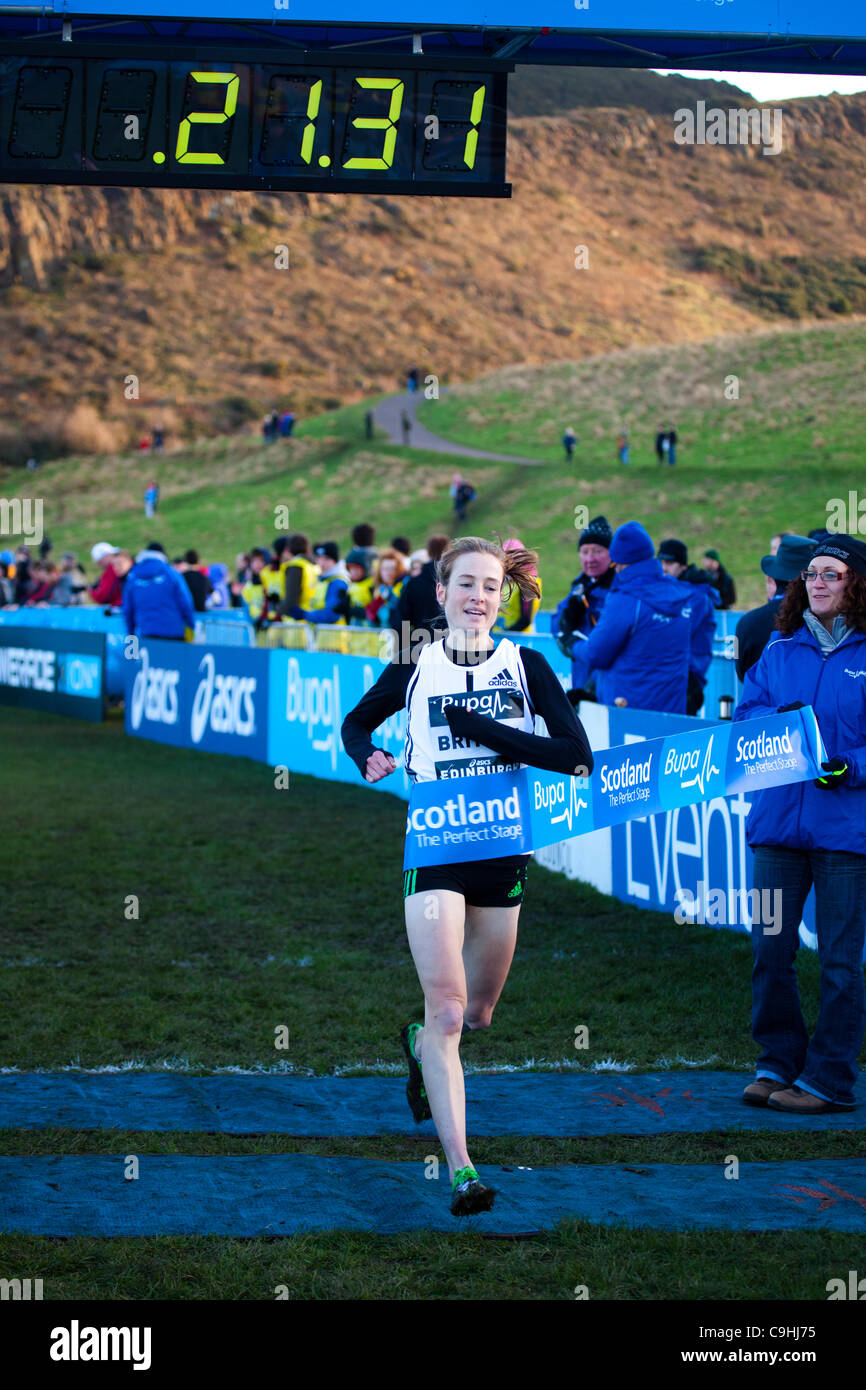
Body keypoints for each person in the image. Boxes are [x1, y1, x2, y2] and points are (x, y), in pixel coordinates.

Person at [340, 536, 594, 1215]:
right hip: (435, 850)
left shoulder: (526, 665)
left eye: (490, 587)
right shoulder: (415, 664)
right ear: (442, 593)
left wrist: (487, 730)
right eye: (466, 585)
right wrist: (366, 753)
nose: (478, 597)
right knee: (449, 1009)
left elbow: (576, 756)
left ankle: (420, 1044)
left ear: (502, 597)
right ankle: (462, 1172)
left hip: (502, 855)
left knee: (478, 1016)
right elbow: (357, 721)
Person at [734, 532, 866, 1114]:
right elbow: (746, 716)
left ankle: (831, 1078)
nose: (816, 581)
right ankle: (778, 1061)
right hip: (777, 832)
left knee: (839, 962)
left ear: (856, 585)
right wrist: (775, 725)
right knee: (770, 950)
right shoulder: (779, 649)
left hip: (845, 836)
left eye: (831, 573)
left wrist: (850, 766)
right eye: (811, 573)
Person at [570, 522, 694, 714]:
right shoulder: (679, 593)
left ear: (619, 562)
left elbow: (596, 654)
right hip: (672, 710)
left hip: (627, 711)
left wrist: (572, 643)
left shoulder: (626, 599)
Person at [735, 535, 817, 683]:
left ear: (772, 578)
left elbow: (741, 673)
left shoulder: (747, 623)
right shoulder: (821, 621)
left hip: (759, 702)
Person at [552, 516, 615, 697]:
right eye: (585, 551)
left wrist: (590, 689)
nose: (590, 558)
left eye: (597, 551)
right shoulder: (579, 587)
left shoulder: (619, 589)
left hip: (607, 688)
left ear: (611, 553)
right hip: (581, 680)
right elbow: (556, 625)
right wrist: (568, 619)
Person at [657, 538, 719, 715]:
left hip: (687, 679)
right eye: (660, 562)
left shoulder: (697, 596)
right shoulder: (669, 591)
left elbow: (676, 635)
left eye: (669, 562)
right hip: (670, 678)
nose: (663, 567)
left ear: (683, 566)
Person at [122, 541, 196, 640]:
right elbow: (185, 601)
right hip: (173, 633)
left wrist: (131, 633)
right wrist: (191, 625)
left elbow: (127, 608)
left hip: (145, 632)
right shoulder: (171, 573)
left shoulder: (133, 576)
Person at [394, 534, 450, 644]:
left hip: (421, 644)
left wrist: (406, 648)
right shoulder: (455, 583)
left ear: (428, 552)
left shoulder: (413, 583)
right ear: (448, 550)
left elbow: (401, 620)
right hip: (450, 645)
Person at [286, 542, 349, 625]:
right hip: (322, 634)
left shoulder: (337, 582)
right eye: (319, 558)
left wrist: (305, 615)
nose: (321, 563)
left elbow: (332, 614)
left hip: (334, 635)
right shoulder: (323, 580)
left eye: (326, 559)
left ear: (335, 561)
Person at [495, 538, 542, 632]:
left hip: (518, 639)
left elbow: (525, 620)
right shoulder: (508, 580)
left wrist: (506, 633)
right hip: (500, 637)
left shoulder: (527, 584)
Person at [366, 547, 408, 628]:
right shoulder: (377, 589)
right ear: (380, 571)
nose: (389, 573)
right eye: (385, 569)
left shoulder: (404, 586)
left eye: (392, 569)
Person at [281, 533, 319, 620]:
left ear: (288, 549)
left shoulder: (295, 566)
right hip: (312, 616)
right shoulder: (314, 566)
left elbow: (291, 596)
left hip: (297, 620)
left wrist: (279, 613)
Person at [344, 548, 376, 624]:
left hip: (368, 628)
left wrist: (354, 611)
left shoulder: (371, 585)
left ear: (365, 569)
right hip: (354, 627)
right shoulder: (351, 585)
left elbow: (374, 611)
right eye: (350, 569)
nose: (352, 572)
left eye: (356, 569)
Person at [89, 543, 123, 607]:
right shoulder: (120, 567)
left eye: (99, 561)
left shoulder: (111, 570)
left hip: (118, 608)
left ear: (106, 556)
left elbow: (103, 597)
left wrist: (92, 591)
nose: (98, 565)